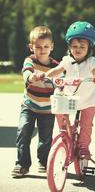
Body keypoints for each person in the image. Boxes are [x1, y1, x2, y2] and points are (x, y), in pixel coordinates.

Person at [46, 21, 95, 160]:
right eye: (74, 46)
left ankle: (84, 146)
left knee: (86, 125)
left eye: (82, 46)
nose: (77, 49)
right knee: (60, 112)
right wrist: (45, 75)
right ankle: (66, 135)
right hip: (70, 98)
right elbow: (57, 70)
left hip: (89, 100)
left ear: (89, 47)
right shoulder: (66, 60)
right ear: (69, 47)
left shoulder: (92, 61)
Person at [12, 26, 58, 177]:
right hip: (29, 105)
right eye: (38, 46)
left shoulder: (56, 66)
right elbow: (26, 71)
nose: (42, 49)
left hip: (48, 109)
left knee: (45, 138)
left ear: (51, 47)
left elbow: (61, 81)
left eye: (46, 46)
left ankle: (44, 161)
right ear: (31, 47)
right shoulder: (30, 60)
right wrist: (31, 77)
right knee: (23, 131)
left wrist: (61, 83)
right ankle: (22, 164)